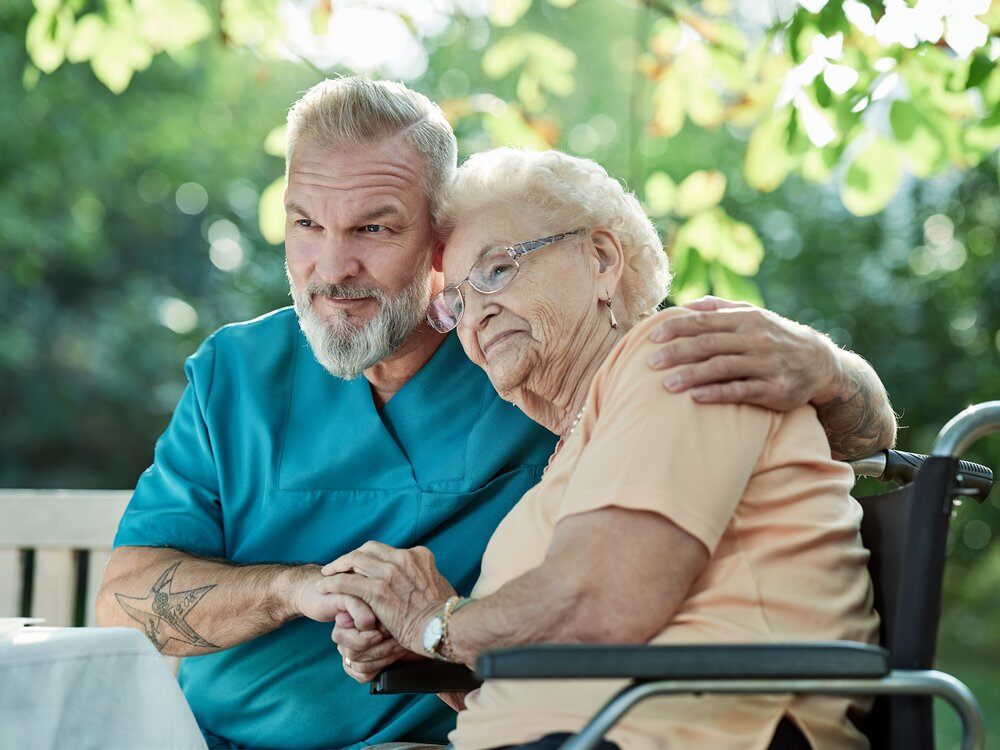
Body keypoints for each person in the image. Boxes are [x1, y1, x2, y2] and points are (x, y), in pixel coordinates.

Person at [96, 78, 894, 749]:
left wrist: (833, 367)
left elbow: (824, 431)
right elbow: (123, 599)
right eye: (306, 224)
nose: (332, 267)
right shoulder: (240, 373)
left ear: (433, 248)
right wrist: (306, 592)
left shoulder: (570, 365)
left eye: (374, 227)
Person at [321, 148, 880, 750]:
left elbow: (598, 608)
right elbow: (537, 669)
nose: (476, 313)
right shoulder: (572, 449)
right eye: (455, 301)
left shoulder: (676, 357)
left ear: (602, 259)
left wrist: (438, 623)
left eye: (499, 269)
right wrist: (416, 636)